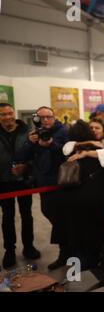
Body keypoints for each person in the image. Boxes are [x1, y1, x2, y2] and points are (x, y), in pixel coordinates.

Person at [62, 120, 104, 270]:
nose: (94, 130)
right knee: (97, 232)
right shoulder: (91, 148)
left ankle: (81, 265)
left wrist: (90, 150)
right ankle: (97, 263)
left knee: (80, 232)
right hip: (95, 201)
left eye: (98, 127)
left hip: (78, 199)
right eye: (92, 128)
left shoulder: (76, 149)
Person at [15, 106, 69, 270]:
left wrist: (51, 143)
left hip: (62, 183)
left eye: (49, 117)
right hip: (44, 185)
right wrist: (30, 143)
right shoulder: (34, 134)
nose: (46, 120)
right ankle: (67, 250)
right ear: (37, 119)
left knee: (62, 219)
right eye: (42, 117)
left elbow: (66, 152)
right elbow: (20, 157)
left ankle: (66, 253)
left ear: (54, 117)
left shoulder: (63, 132)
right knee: (51, 215)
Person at [0, 103, 40, 269]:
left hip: (24, 181)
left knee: (27, 215)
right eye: (3, 114)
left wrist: (26, 167)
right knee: (7, 217)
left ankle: (28, 247)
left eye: (10, 113)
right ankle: (9, 250)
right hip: (2, 182)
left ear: (14, 113)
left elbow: (35, 154)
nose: (7, 117)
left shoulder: (27, 132)